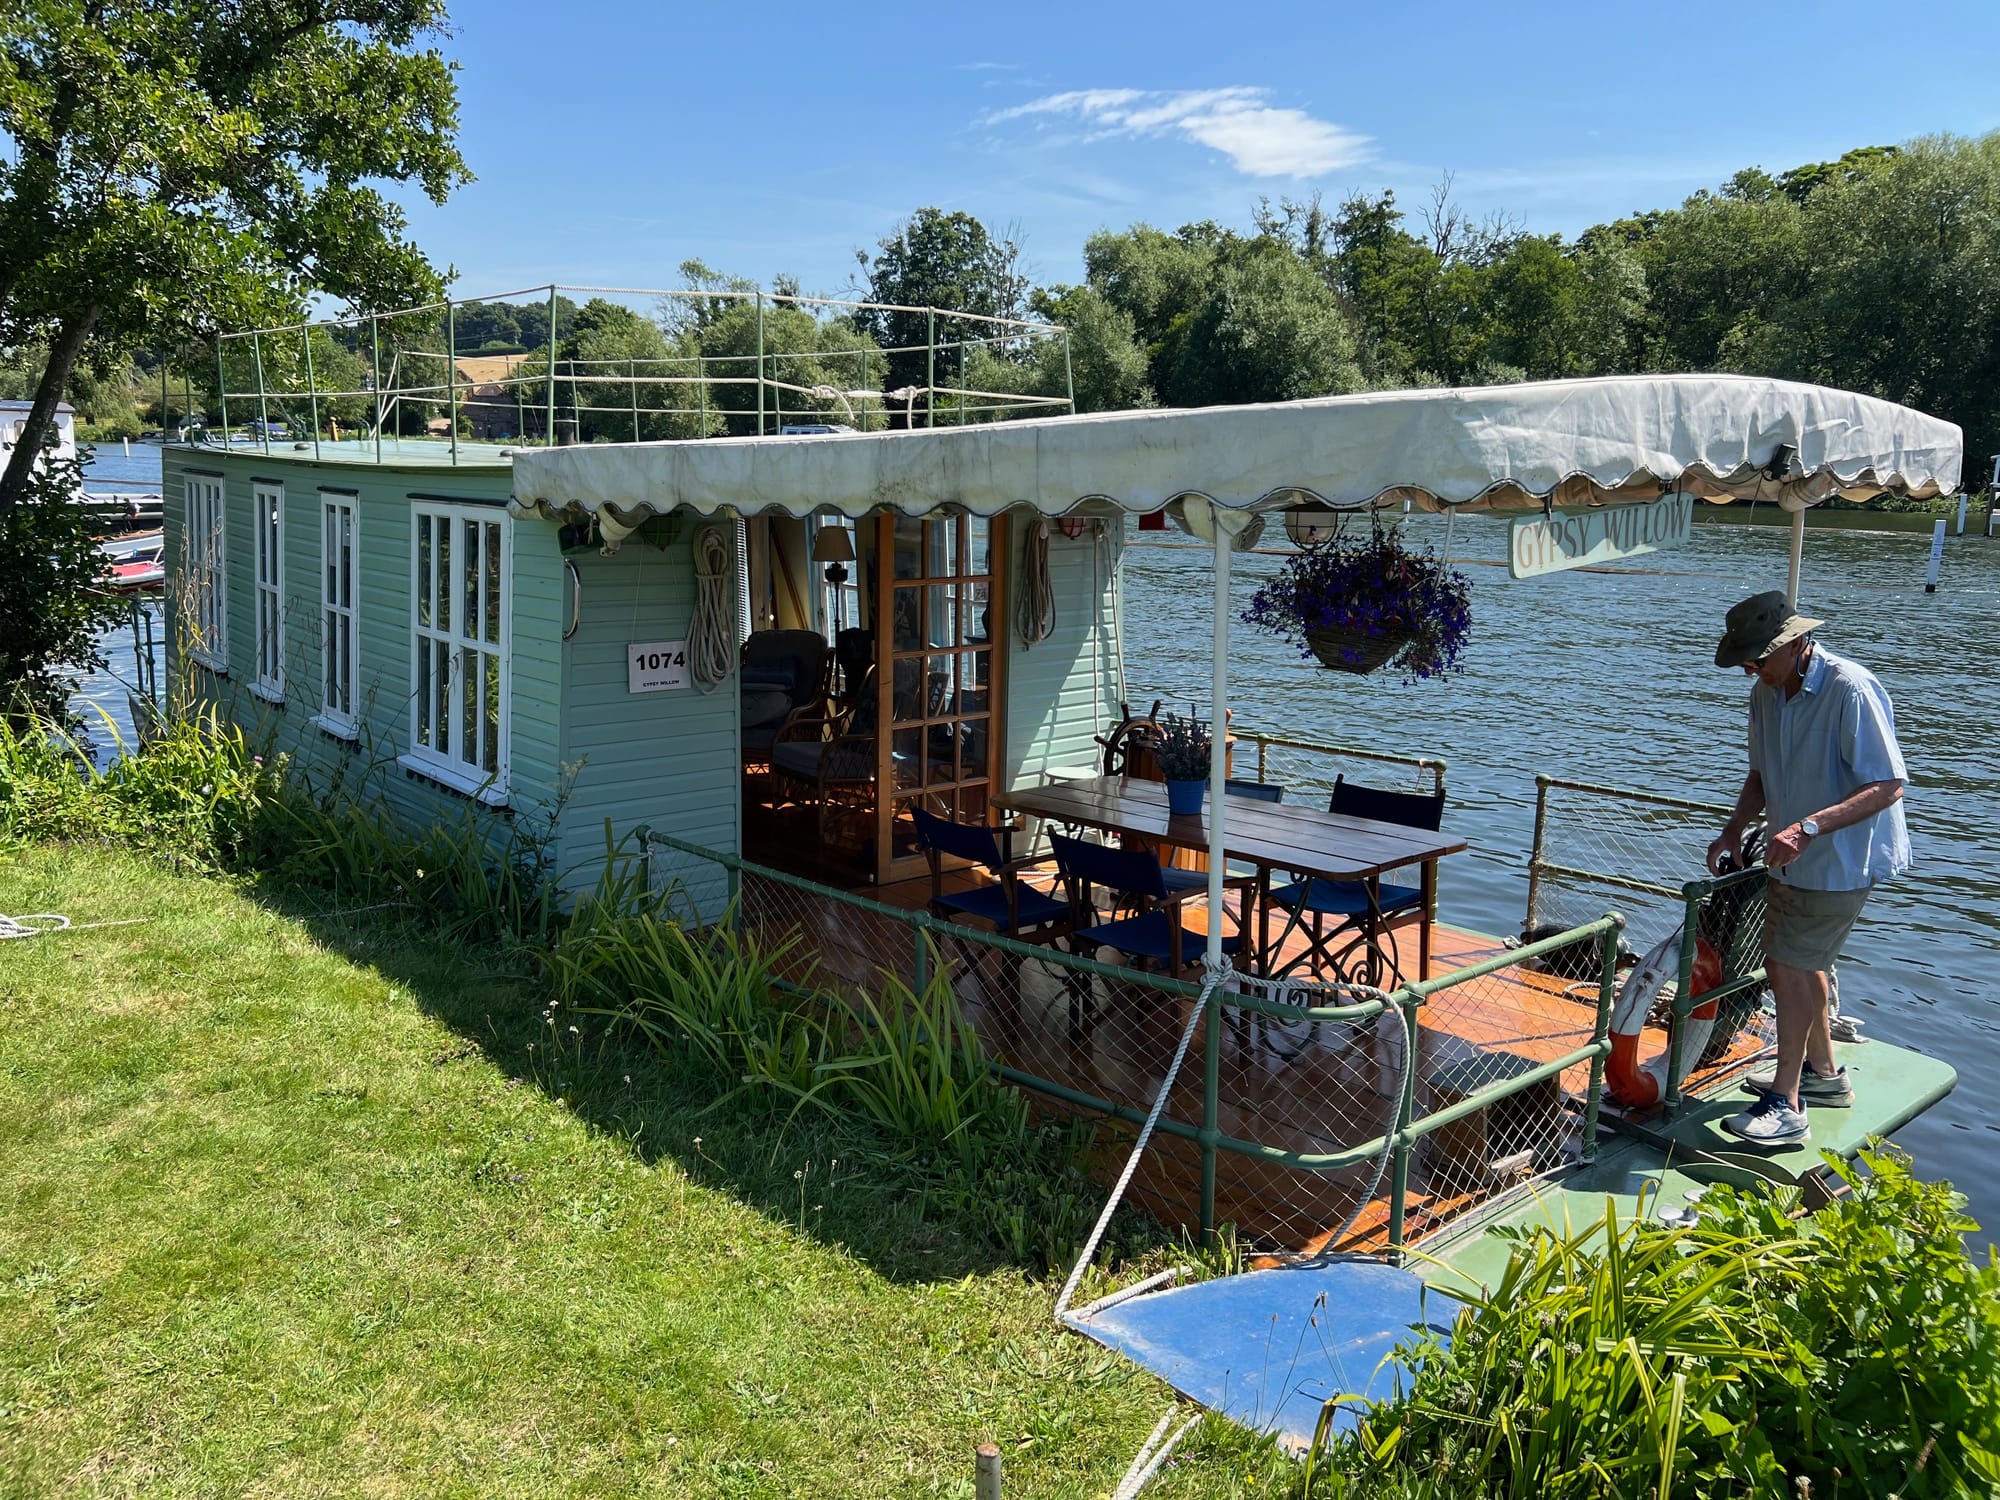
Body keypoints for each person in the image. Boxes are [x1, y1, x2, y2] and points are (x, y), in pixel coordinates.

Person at [1707, 591, 1909, 1145]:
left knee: (1787, 965)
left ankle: (1787, 1101)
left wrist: (1807, 828)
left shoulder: (1850, 689)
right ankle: (1824, 1078)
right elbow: (1760, 774)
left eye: (1758, 657)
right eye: (1745, 659)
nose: (1751, 668)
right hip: (1787, 855)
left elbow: (1888, 785)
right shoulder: (1765, 693)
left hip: (1841, 860)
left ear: (1796, 644)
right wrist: (1733, 827)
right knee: (1797, 964)